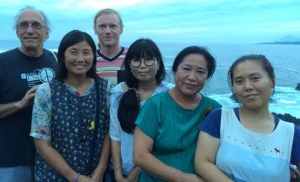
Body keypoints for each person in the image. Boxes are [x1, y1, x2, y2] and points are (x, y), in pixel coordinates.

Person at [194, 54, 300, 182]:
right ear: (233, 88)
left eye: (255, 78)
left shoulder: (292, 133)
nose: (248, 86)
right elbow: (203, 162)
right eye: (239, 81)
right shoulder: (220, 118)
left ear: (272, 81)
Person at [30, 30, 111, 182]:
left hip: (94, 176)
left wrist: (100, 169)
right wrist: (74, 177)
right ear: (62, 55)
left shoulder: (105, 89)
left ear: (93, 56)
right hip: (53, 176)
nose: (80, 58)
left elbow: (108, 131)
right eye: (73, 52)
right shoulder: (46, 91)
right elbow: (41, 142)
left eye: (86, 52)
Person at [133, 46, 222, 182]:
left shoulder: (214, 110)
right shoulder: (156, 105)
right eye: (186, 69)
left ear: (207, 77)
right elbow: (140, 155)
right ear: (175, 71)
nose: (192, 77)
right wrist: (182, 178)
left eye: (200, 72)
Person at [0, 6, 58, 182]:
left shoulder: (57, 60)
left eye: (36, 25)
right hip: (12, 160)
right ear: (17, 32)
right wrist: (20, 104)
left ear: (46, 32)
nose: (29, 30)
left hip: (53, 156)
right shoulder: (3, 63)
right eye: (24, 25)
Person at [110, 38, 173, 182]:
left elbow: (164, 140)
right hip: (123, 171)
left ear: (159, 63)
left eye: (149, 59)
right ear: (129, 65)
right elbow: (115, 135)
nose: (142, 65)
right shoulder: (117, 93)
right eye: (136, 60)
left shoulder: (169, 94)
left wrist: (137, 171)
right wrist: (118, 174)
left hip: (156, 172)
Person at [94, 8, 127, 87]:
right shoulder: (89, 60)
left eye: (113, 26)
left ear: (121, 29)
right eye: (102, 26)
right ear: (95, 30)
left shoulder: (132, 58)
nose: (107, 31)